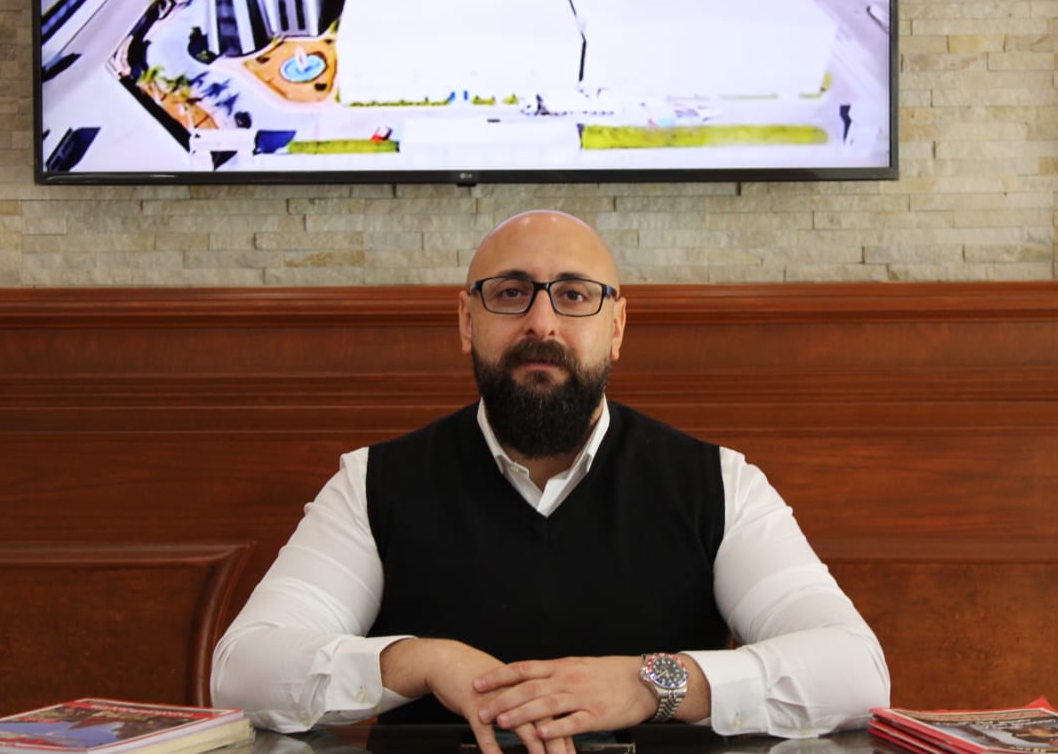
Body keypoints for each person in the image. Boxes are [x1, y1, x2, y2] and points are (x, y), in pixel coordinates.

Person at [211, 210, 889, 754]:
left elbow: (855, 670)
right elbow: (243, 669)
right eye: (510, 293)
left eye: (573, 295)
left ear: (616, 326)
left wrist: (652, 682)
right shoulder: (372, 482)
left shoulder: (719, 483)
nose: (541, 322)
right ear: (466, 321)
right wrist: (420, 663)